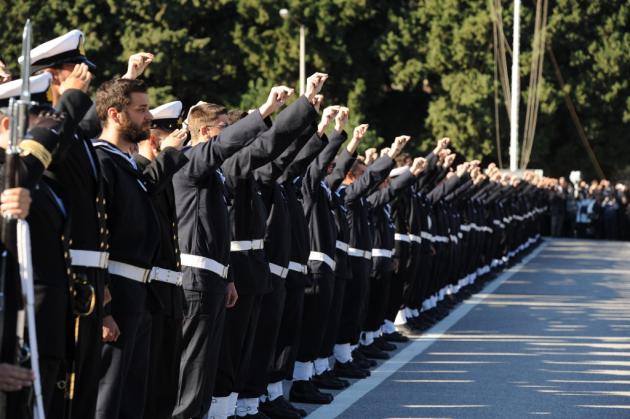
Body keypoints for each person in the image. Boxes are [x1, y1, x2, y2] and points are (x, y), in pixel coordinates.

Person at [93, 78, 187, 419]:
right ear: (116, 114)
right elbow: (95, 235)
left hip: (139, 291)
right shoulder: (102, 162)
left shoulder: (126, 164)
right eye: (142, 109)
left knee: (134, 393)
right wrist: (102, 303)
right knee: (109, 392)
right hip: (116, 292)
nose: (148, 117)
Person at [135, 99, 189, 419]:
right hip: (149, 289)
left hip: (169, 289)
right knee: (149, 377)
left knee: (167, 375)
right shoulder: (140, 171)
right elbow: (145, 191)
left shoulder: (162, 173)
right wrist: (168, 155)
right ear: (156, 140)